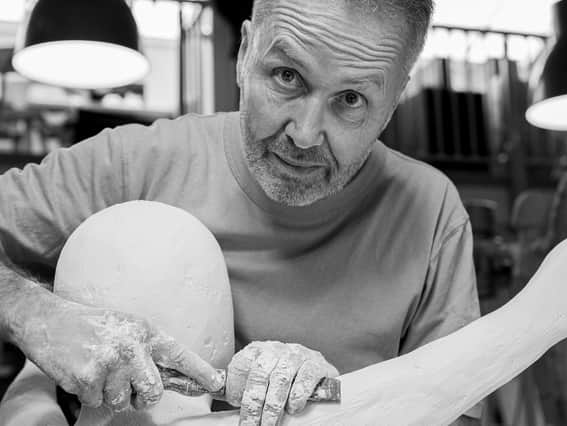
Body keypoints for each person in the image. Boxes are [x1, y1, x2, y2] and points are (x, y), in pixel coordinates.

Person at [0, 0, 482, 424]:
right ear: (247, 52)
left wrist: (335, 404)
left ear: (396, 99)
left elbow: (452, 410)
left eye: (351, 100)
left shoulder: (431, 211)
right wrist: (34, 315)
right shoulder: (134, 162)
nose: (306, 133)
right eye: (287, 76)